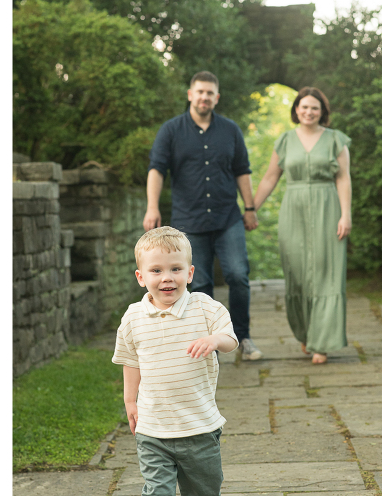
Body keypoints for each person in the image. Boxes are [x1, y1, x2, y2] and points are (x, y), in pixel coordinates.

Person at [143, 70, 262, 361]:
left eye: (210, 93)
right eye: (200, 92)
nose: (204, 97)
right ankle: (209, 345)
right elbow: (157, 169)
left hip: (227, 217)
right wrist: (152, 206)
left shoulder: (230, 130)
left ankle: (242, 338)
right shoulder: (171, 131)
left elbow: (242, 171)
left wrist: (249, 208)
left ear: (216, 98)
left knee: (238, 275)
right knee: (202, 282)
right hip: (189, 221)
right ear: (190, 95)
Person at [113, 226, 238, 495]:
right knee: (158, 491)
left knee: (204, 490)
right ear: (141, 277)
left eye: (176, 269)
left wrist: (214, 340)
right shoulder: (133, 317)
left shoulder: (205, 308)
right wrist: (130, 400)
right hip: (153, 429)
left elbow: (230, 340)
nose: (167, 278)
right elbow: (130, 360)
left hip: (199, 427)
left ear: (190, 273)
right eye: (156, 270)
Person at [253, 87, 351, 365]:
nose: (309, 112)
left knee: (326, 273)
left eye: (315, 108)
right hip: (292, 211)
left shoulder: (336, 140)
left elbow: (343, 179)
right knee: (296, 274)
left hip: (328, 208)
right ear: (296, 109)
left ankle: (323, 343)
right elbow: (270, 178)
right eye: (304, 107)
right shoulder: (284, 141)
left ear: (323, 112)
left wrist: (346, 215)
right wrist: (250, 210)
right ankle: (306, 334)